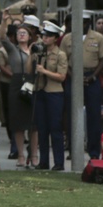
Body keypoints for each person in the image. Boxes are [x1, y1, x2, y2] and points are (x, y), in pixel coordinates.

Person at [60, 11, 103, 161]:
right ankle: (73, 149)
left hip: (92, 78)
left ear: (89, 22)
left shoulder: (98, 38)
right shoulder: (67, 38)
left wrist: (94, 76)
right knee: (71, 115)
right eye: (79, 21)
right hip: (72, 77)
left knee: (94, 116)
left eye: (84, 21)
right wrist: (74, 77)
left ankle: (94, 152)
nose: (81, 24)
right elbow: (63, 61)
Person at [0, 24, 38, 168]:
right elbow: (2, 36)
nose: (21, 35)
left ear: (30, 36)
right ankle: (20, 155)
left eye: (24, 33)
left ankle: (34, 155)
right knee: (18, 123)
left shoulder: (35, 50)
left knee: (34, 124)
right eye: (19, 33)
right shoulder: (12, 49)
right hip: (16, 84)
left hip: (32, 83)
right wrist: (5, 19)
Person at [33, 21, 68, 171]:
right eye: (43, 36)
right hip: (40, 90)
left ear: (55, 38)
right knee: (42, 128)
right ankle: (44, 161)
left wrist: (44, 71)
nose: (44, 39)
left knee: (55, 128)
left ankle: (59, 162)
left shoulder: (60, 54)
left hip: (54, 92)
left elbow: (62, 76)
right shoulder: (40, 52)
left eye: (48, 36)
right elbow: (30, 70)